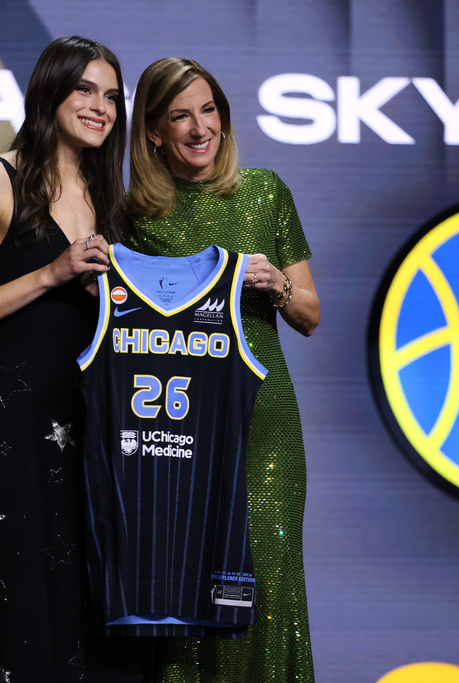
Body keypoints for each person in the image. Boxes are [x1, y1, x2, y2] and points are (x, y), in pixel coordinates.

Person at [0, 36, 140, 682]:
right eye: (86, 90)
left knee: (82, 615)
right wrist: (50, 274)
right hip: (13, 431)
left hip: (93, 439)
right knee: (9, 610)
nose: (100, 107)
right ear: (50, 90)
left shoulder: (111, 202)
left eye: (111, 97)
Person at [126, 57, 320, 682]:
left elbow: (312, 315)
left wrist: (279, 288)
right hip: (177, 425)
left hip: (265, 423)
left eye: (208, 110)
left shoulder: (265, 191)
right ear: (153, 131)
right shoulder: (130, 212)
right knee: (184, 581)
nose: (199, 126)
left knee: (267, 580)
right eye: (179, 115)